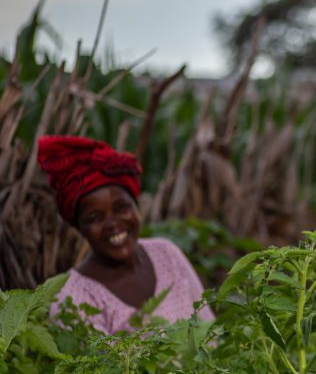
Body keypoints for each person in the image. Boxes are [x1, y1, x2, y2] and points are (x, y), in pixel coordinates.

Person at [38, 135, 214, 334]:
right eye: (95, 218)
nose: (113, 224)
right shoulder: (72, 297)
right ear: (79, 227)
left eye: (121, 208)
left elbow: (210, 333)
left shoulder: (167, 255)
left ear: (137, 206)